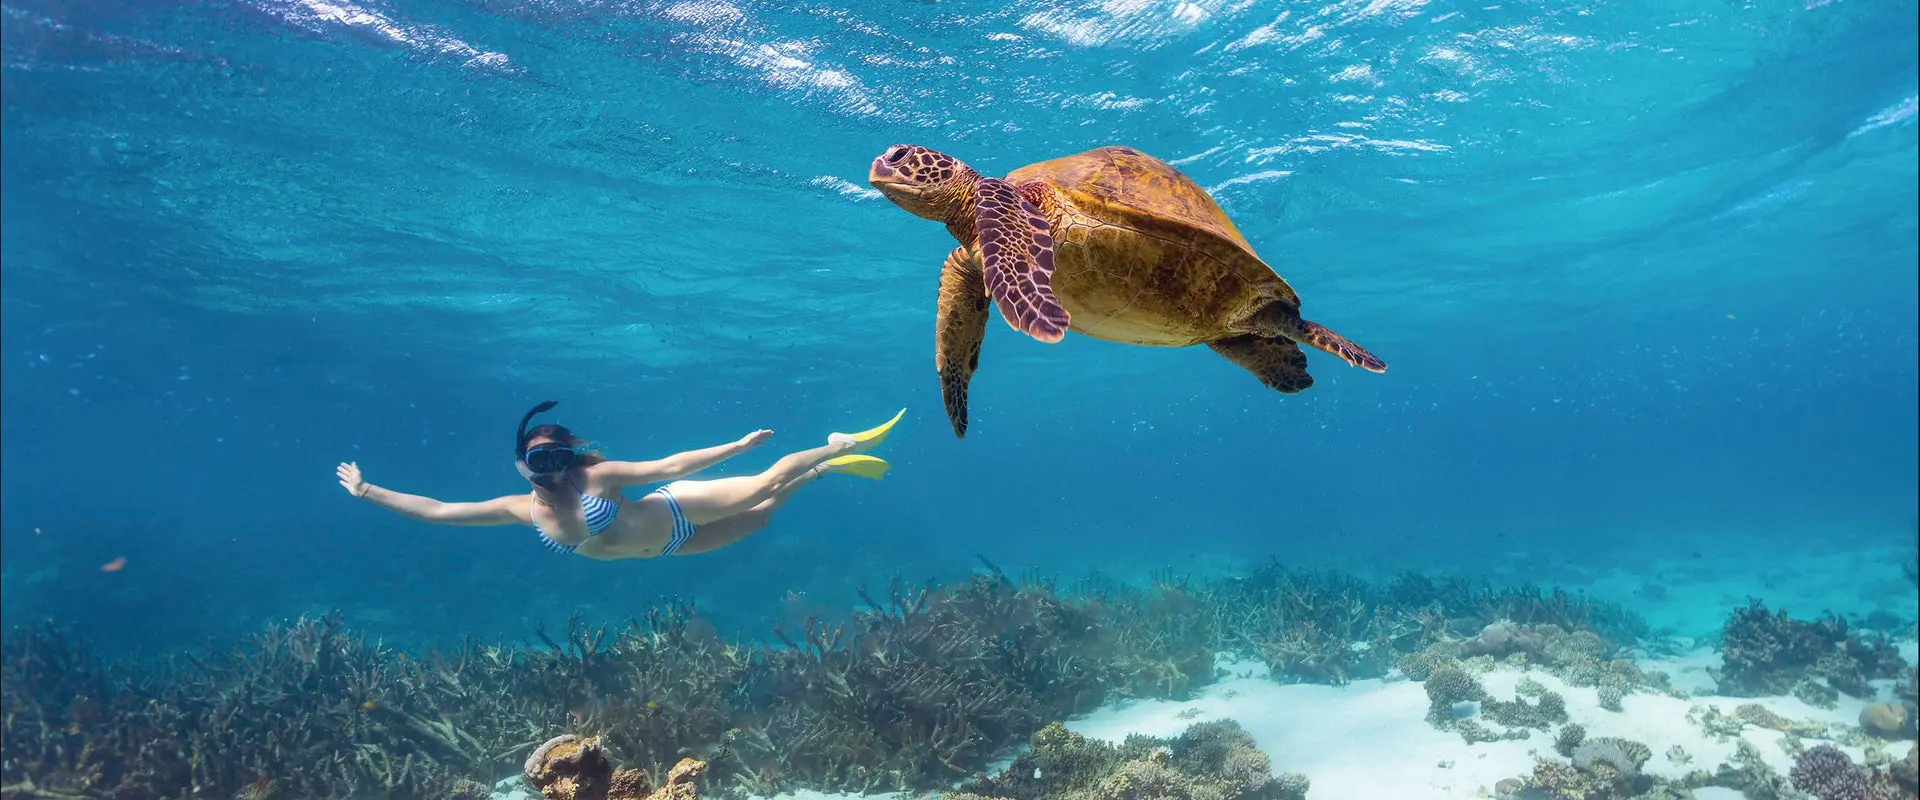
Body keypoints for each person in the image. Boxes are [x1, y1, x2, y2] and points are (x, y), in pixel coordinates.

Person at [334, 401, 903, 559]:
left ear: (572, 458)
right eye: (541, 462)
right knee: (760, 519)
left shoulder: (599, 476)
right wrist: (367, 491)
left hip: (675, 511)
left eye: (561, 457)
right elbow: (438, 511)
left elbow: (672, 466)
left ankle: (837, 442)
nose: (554, 470)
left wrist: (737, 445)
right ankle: (825, 466)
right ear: (522, 466)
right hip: (669, 549)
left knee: (759, 484)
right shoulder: (517, 508)